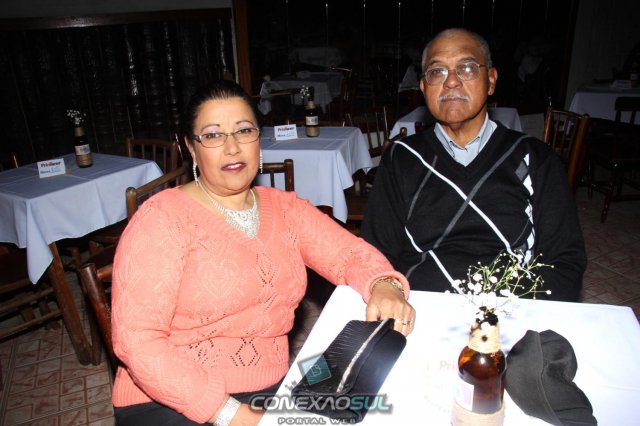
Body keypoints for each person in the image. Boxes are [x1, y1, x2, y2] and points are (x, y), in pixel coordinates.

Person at [111, 80, 415, 426]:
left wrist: (384, 283)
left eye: (244, 130)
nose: (232, 148)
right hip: (168, 397)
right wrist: (230, 413)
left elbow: (347, 253)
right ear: (191, 148)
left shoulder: (285, 209)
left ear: (259, 138)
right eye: (213, 135)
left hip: (266, 384)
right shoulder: (162, 219)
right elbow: (137, 340)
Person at [361, 28, 586, 302]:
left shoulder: (534, 157)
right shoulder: (401, 158)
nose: (451, 81)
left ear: (491, 80)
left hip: (510, 310)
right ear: (423, 87)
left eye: (466, 68)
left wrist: (512, 313)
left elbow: (564, 262)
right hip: (422, 308)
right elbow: (376, 253)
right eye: (437, 71)